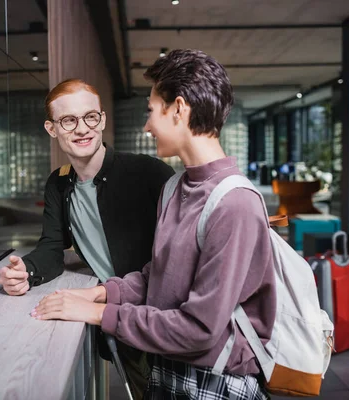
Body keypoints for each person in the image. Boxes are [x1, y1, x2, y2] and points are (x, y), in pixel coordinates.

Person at [31, 50, 276, 399]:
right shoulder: (176, 187)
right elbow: (157, 276)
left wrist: (100, 312)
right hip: (170, 372)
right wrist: (101, 292)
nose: (146, 126)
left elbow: (200, 329)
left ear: (178, 109)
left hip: (213, 384)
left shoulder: (235, 203)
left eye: (150, 111)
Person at [0, 78, 175, 398]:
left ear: (103, 119)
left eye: (90, 117)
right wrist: (26, 270)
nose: (82, 128)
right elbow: (52, 246)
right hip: (119, 320)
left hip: (164, 317)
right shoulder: (59, 183)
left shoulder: (146, 172)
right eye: (68, 120)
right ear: (52, 129)